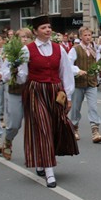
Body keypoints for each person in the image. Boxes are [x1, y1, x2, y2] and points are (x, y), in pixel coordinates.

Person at [16, 15, 79, 188]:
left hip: (55, 91)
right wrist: (14, 69)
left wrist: (69, 97)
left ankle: (41, 161)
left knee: (53, 128)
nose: (48, 30)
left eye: (49, 27)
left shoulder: (59, 49)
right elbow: (22, 77)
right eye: (43, 28)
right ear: (36, 31)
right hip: (36, 91)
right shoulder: (27, 50)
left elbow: (65, 73)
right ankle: (50, 171)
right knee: (42, 128)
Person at [68, 26, 101, 144]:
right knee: (75, 108)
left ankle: (95, 132)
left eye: (89, 35)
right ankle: (74, 128)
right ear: (80, 37)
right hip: (79, 83)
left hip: (92, 82)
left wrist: (99, 69)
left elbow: (99, 62)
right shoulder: (75, 49)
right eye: (85, 35)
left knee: (93, 107)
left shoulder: (94, 49)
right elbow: (68, 64)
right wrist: (77, 70)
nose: (88, 37)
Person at [0, 28, 33, 161]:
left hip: (31, 91)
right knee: (15, 123)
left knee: (32, 124)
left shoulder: (34, 53)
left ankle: (31, 153)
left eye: (27, 37)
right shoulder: (11, 54)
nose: (25, 39)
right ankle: (8, 139)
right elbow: (4, 74)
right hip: (16, 91)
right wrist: (13, 71)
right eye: (22, 37)